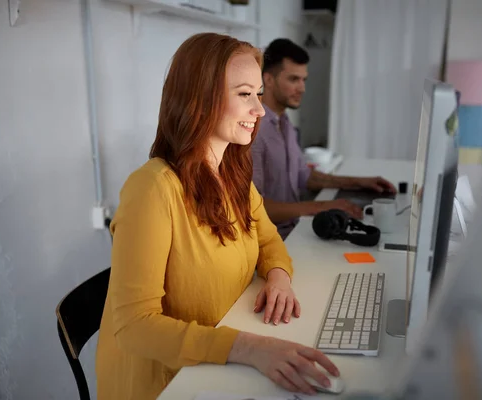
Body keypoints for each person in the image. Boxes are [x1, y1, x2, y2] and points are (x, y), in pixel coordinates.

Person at [95, 33, 339, 400]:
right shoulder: (152, 189)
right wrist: (249, 347)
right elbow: (134, 326)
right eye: (244, 94)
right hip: (166, 383)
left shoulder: (232, 174)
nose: (259, 110)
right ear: (198, 100)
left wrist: (278, 278)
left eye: (258, 94)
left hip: (215, 361)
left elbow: (269, 240)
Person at [252, 38, 397, 239]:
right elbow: (252, 208)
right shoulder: (253, 130)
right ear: (268, 80)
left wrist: (358, 183)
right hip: (273, 241)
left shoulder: (284, 123)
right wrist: (322, 206)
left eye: (304, 80)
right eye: (294, 79)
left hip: (295, 229)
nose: (302, 88)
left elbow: (304, 177)